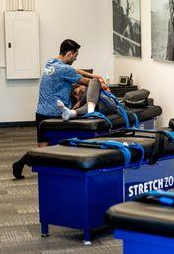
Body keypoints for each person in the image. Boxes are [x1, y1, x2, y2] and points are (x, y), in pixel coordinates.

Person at [12, 39, 107, 179]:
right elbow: (89, 83)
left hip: (41, 113)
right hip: (56, 114)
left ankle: (19, 164)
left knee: (42, 152)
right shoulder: (65, 69)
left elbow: (73, 70)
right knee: (53, 150)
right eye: (75, 56)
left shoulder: (51, 62)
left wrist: (92, 74)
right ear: (69, 54)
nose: (76, 59)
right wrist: (97, 81)